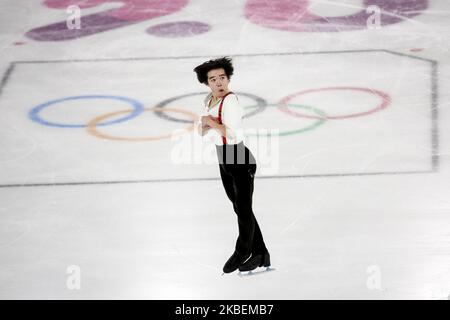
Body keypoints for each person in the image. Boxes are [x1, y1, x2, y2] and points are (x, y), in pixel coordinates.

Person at [193, 57, 270, 274]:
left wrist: (210, 123)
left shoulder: (231, 102)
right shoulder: (209, 100)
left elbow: (233, 134)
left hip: (238, 157)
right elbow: (201, 130)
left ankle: (243, 251)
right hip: (224, 158)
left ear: (228, 78)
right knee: (240, 208)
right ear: (206, 83)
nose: (219, 82)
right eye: (213, 79)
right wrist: (208, 124)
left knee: (243, 208)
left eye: (222, 78)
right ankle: (261, 254)